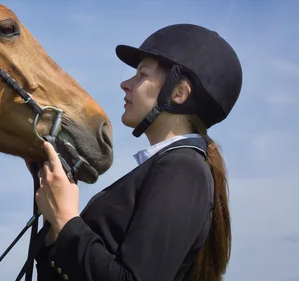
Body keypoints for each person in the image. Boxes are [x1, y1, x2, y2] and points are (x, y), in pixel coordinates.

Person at [33, 23, 242, 281]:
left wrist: (66, 219)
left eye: (142, 74)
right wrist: (54, 211)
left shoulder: (183, 169)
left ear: (178, 92)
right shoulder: (172, 167)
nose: (125, 84)